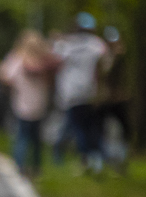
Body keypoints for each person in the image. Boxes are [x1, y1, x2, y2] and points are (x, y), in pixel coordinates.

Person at [0, 30, 61, 176]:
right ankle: (36, 167)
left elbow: (5, 76)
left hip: (22, 102)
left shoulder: (17, 58)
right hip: (40, 102)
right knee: (37, 138)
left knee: (22, 136)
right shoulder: (45, 60)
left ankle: (19, 165)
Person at [52, 12, 108, 172]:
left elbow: (54, 62)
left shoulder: (65, 45)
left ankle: (85, 159)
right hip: (90, 92)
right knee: (91, 126)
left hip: (71, 93)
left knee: (78, 127)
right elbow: (104, 65)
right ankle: (96, 159)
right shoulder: (96, 45)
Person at [98, 26, 130, 172]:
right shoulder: (103, 57)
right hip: (106, 98)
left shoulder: (122, 57)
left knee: (123, 130)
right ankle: (106, 159)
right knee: (105, 129)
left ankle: (121, 159)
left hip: (119, 99)